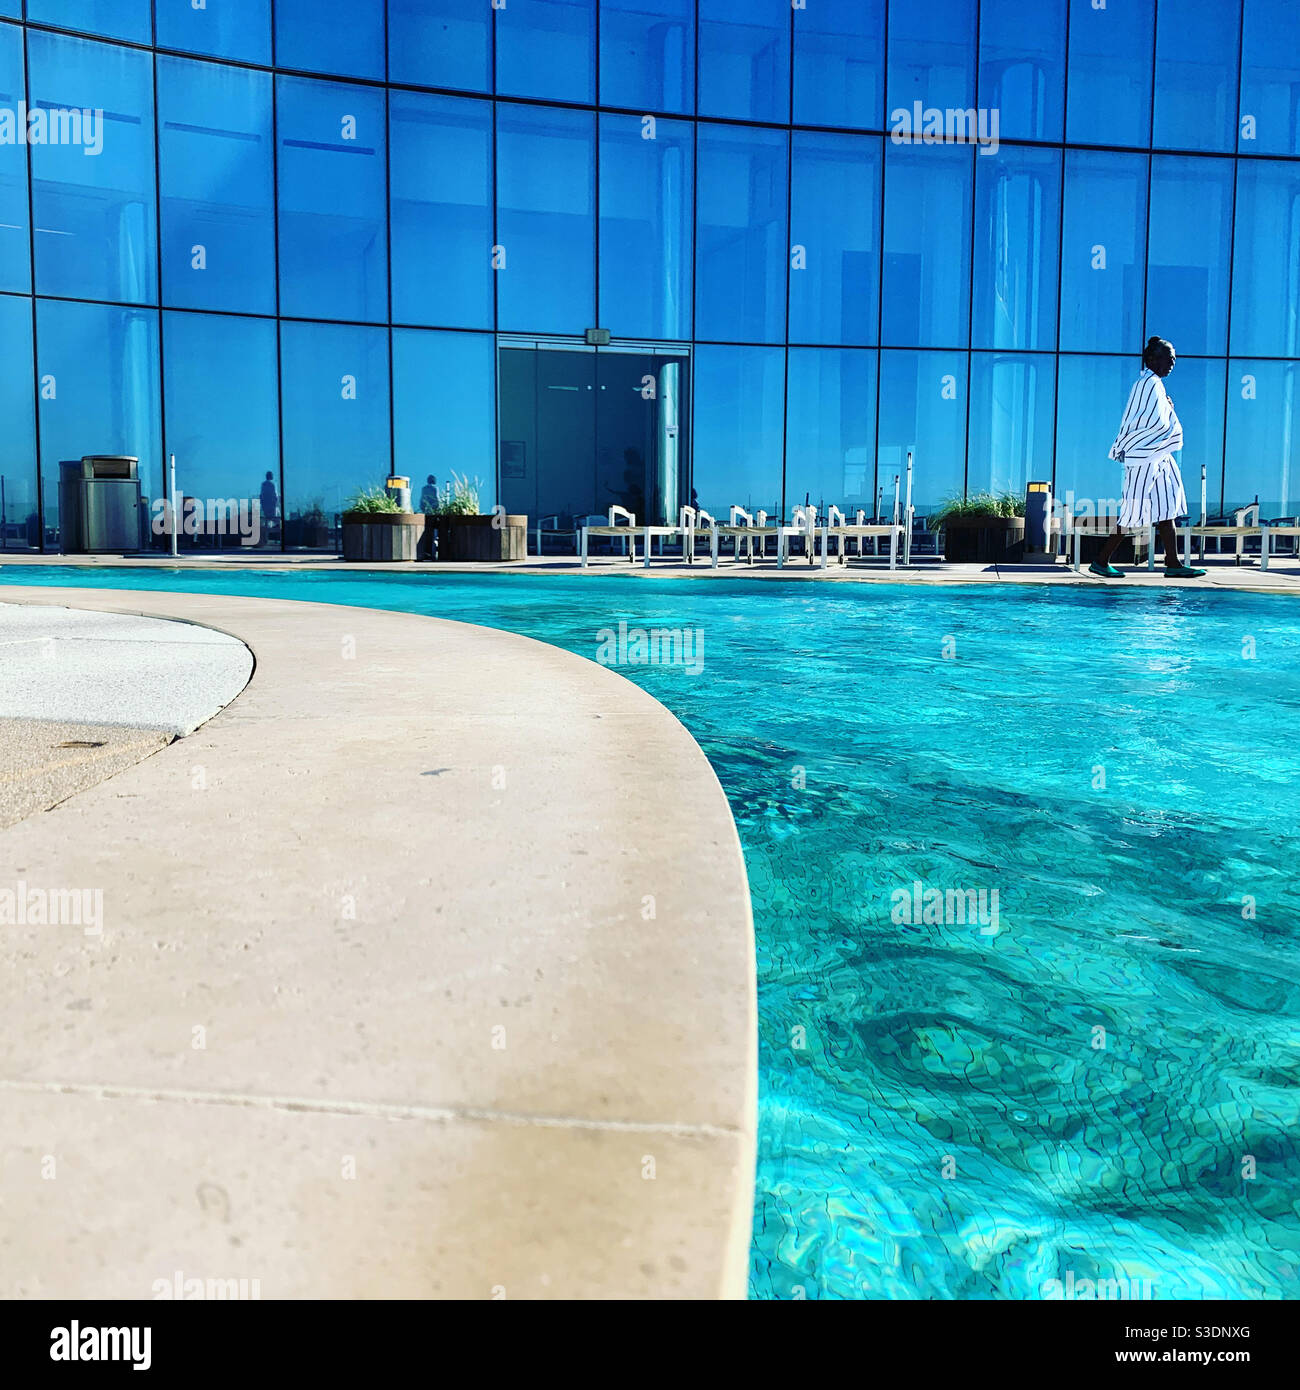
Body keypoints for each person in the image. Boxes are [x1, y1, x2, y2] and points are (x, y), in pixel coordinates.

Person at [1089, 337, 1205, 579]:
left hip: (1158, 455)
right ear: (1152, 359)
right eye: (1168, 357)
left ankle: (1173, 563)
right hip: (1143, 456)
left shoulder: (1156, 386)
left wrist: (1166, 406)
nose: (1172, 362)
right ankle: (1101, 561)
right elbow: (1140, 422)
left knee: (1167, 506)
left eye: (1174, 359)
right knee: (1133, 509)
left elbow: (1156, 417)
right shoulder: (1146, 384)